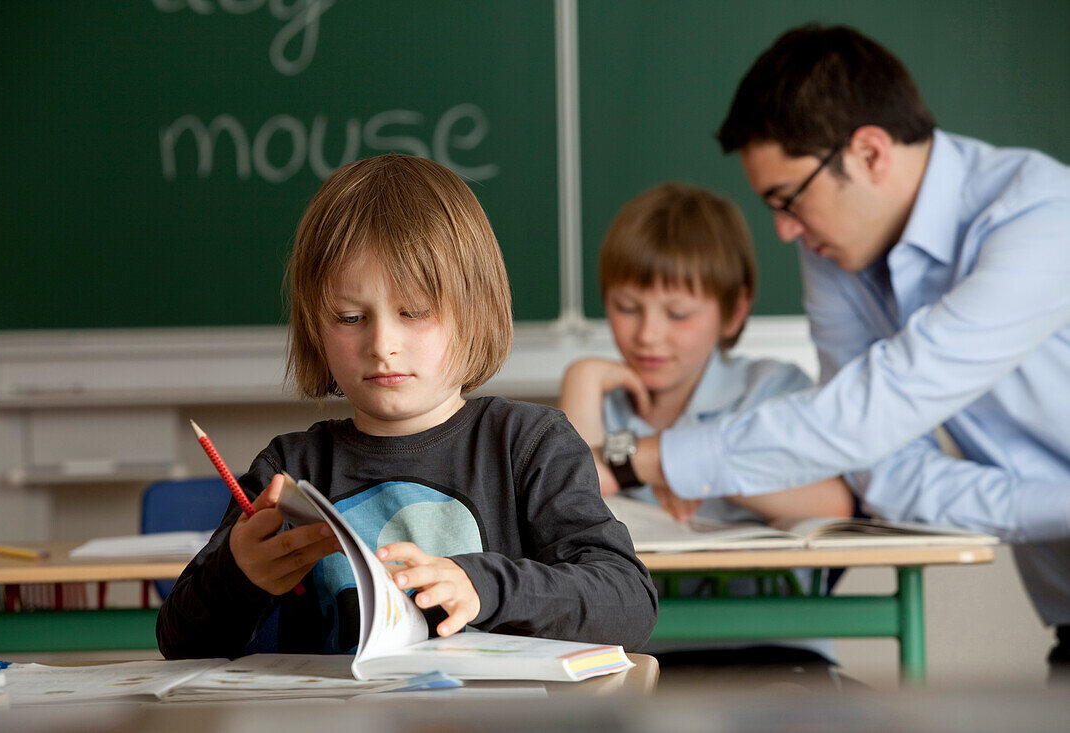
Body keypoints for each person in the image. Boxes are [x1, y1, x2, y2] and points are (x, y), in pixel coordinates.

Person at [622, 25, 1070, 681]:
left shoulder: (1041, 218)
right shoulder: (834, 253)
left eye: (788, 199)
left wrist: (653, 456)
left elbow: (873, 408)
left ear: (869, 152)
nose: (782, 229)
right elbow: (877, 465)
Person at [157, 154, 658, 659]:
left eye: (414, 312)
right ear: (315, 327)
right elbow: (179, 645)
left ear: (476, 313)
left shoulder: (530, 445)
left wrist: (484, 585)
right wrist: (238, 577)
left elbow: (629, 603)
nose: (382, 344)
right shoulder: (290, 470)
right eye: (350, 317)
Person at [559, 182, 852, 682]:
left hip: (778, 657)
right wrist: (580, 382)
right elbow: (562, 517)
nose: (648, 334)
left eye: (678, 314)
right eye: (627, 307)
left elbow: (833, 507)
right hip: (635, 662)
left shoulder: (775, 391)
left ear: (733, 311)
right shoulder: (600, 401)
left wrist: (696, 469)